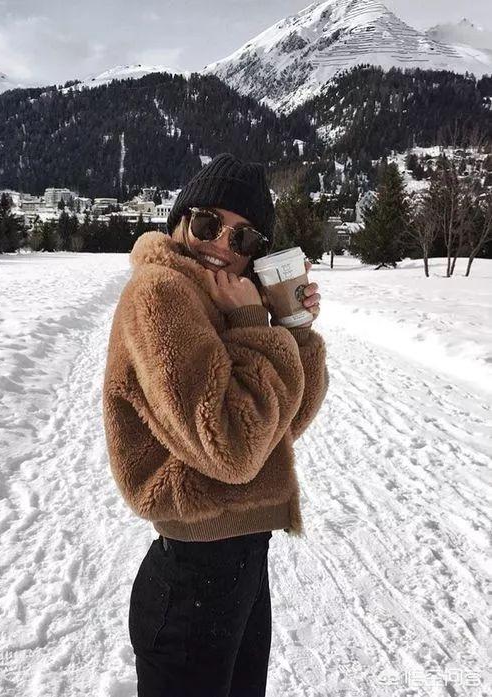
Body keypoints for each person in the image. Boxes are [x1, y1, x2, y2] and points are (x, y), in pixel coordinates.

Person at [102, 152, 329, 696]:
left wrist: (293, 327)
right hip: (192, 582)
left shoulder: (216, 298)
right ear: (181, 221)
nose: (222, 245)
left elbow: (282, 427)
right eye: (208, 224)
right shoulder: (161, 293)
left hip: (242, 564)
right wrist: (253, 323)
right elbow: (232, 448)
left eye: (244, 238)